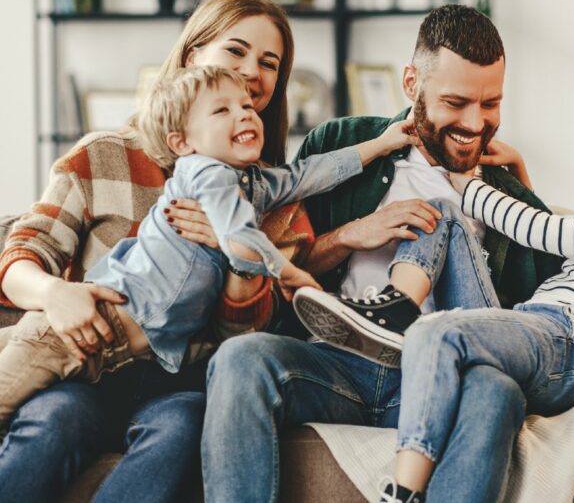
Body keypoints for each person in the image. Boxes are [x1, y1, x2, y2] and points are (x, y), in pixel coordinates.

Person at [198, 4, 574, 501]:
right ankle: (381, 318)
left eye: (490, 104)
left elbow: (552, 320)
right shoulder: (343, 143)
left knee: (497, 390)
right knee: (241, 358)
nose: (475, 123)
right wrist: (351, 235)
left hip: (446, 379)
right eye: (456, 102)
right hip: (339, 364)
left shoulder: (505, 196)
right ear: (411, 82)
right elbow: (279, 271)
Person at [0, 0, 303, 502]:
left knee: (181, 431)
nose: (252, 71)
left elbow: (242, 339)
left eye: (268, 64)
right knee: (53, 422)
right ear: (191, 58)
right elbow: (20, 256)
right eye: (237, 51)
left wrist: (231, 246)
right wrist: (56, 293)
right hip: (88, 370)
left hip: (180, 384)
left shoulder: (272, 199)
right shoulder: (103, 156)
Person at [0, 64, 419, 427]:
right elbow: (238, 238)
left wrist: (382, 143)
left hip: (118, 356)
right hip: (74, 330)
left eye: (247, 107)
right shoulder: (204, 172)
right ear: (183, 142)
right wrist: (292, 274)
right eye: (223, 110)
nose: (246, 115)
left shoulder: (252, 183)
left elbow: (311, 172)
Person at [381, 122, 574, 502]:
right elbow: (551, 242)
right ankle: (397, 304)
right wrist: (517, 166)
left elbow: (538, 229)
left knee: (435, 331)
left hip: (569, 339)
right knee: (488, 388)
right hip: (539, 332)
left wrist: (464, 181)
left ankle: (404, 490)